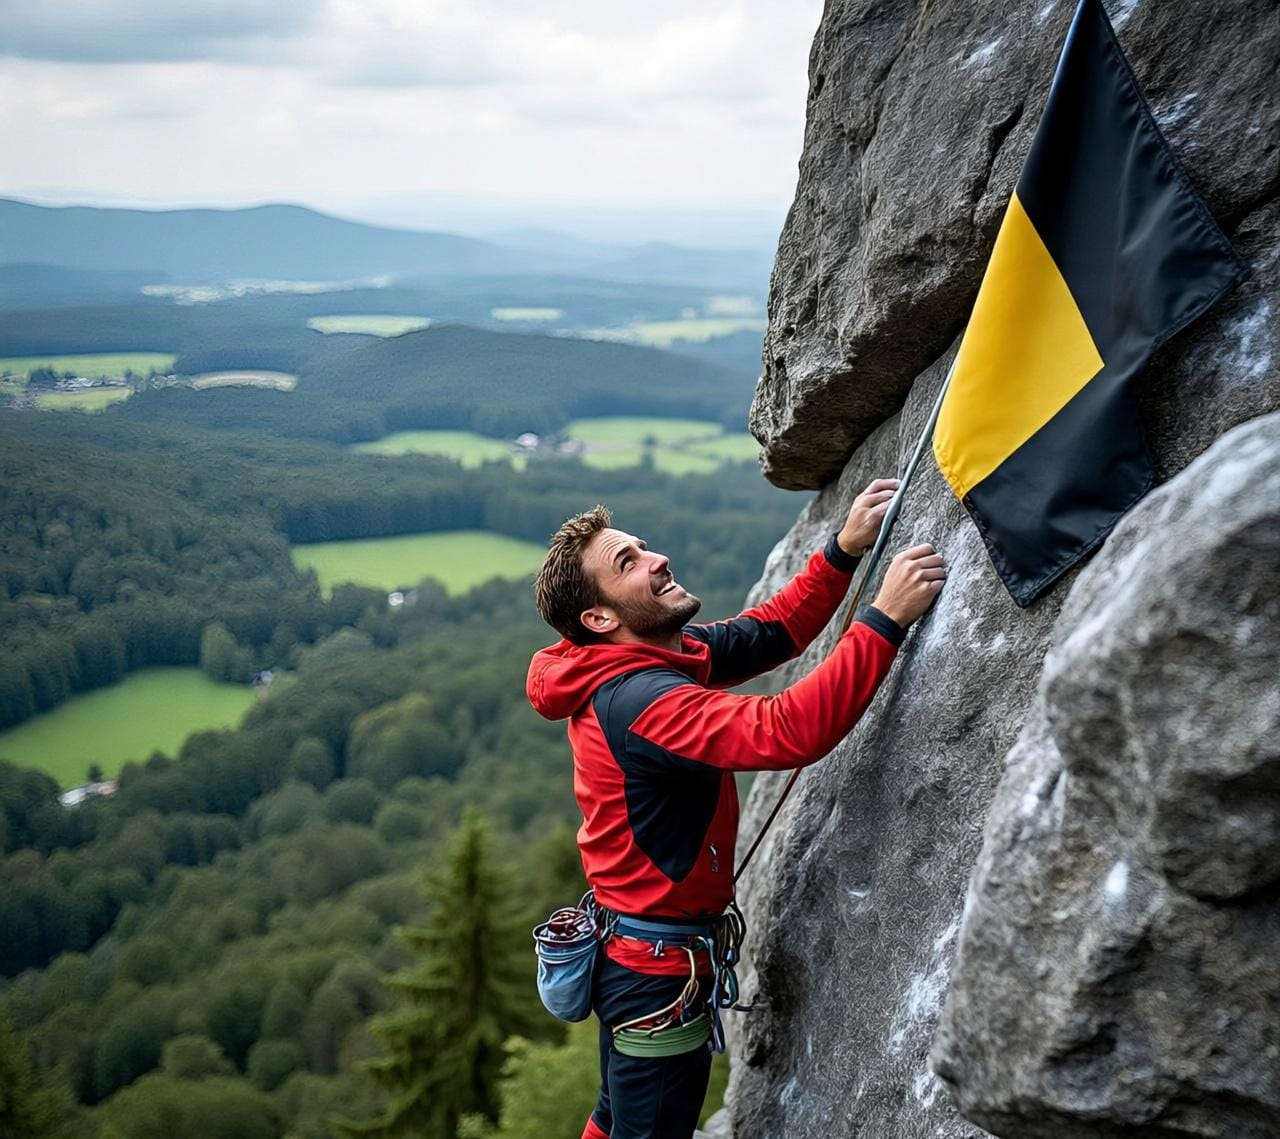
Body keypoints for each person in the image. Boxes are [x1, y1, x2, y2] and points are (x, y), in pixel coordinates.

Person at [526, 478, 946, 1139]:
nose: (656, 557)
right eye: (627, 563)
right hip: (656, 981)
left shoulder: (651, 654)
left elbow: (766, 634)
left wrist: (841, 551)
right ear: (600, 618)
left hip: (635, 960)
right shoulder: (643, 701)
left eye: (641, 545)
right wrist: (884, 617)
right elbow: (788, 728)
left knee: (619, 1118)